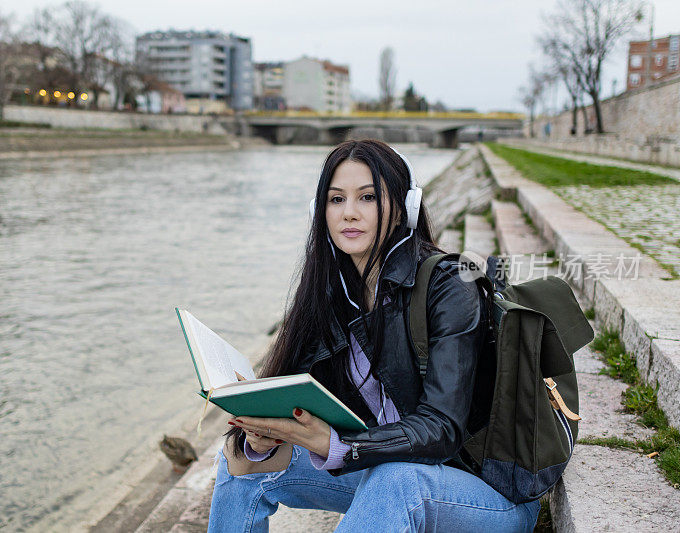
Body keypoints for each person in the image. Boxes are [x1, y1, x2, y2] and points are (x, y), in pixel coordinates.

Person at [208, 139, 540, 532]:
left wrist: (339, 445)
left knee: (395, 479)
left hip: (483, 492)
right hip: (390, 474)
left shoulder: (449, 284)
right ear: (320, 211)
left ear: (404, 207)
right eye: (336, 200)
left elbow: (443, 428)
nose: (349, 213)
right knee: (238, 460)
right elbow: (303, 398)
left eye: (367, 197)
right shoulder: (332, 291)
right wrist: (263, 437)